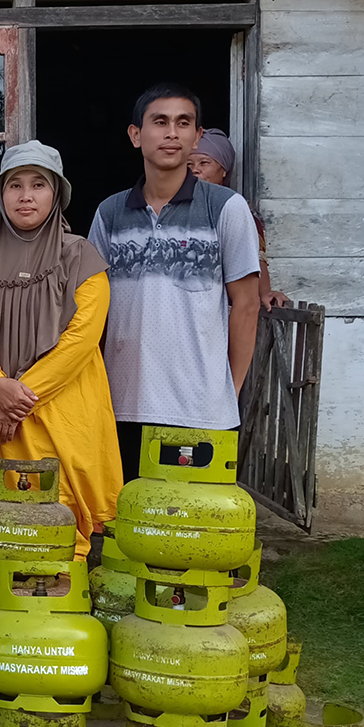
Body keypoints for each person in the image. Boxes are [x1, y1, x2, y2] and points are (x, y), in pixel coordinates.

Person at [0, 142, 121, 557]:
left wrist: (15, 399)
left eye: (39, 185)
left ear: (56, 194)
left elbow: (81, 340)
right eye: (14, 185)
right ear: (0, 195)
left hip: (59, 413)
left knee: (60, 522)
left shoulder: (82, 257)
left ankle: (60, 615)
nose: (25, 195)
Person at [89, 83, 261, 483]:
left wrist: (226, 391)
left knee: (193, 530)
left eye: (183, 123)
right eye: (160, 122)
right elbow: (92, 306)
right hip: (122, 403)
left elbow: (247, 305)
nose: (172, 133)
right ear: (136, 135)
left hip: (200, 409)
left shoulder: (225, 208)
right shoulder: (110, 213)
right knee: (127, 526)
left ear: (197, 136)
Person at [187, 128, 291, 310]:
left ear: (224, 170)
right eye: (188, 165)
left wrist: (265, 292)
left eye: (204, 163)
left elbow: (256, 259)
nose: (195, 170)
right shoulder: (169, 210)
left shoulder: (238, 212)